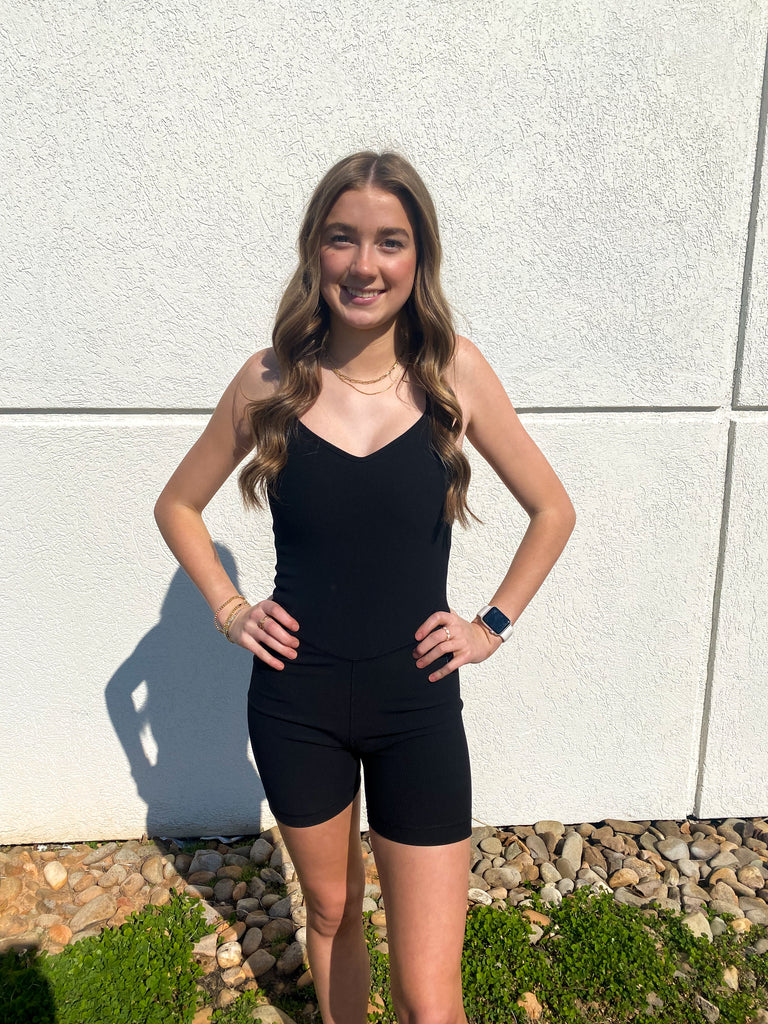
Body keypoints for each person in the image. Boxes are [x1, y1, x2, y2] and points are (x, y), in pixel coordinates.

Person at [154, 150, 575, 1024]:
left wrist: (490, 624)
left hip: (417, 705)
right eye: (343, 238)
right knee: (333, 911)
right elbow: (178, 505)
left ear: (419, 257)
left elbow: (552, 510)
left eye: (390, 241)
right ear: (316, 248)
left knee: (430, 993)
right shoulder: (270, 379)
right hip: (295, 704)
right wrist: (231, 609)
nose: (364, 264)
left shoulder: (454, 372)